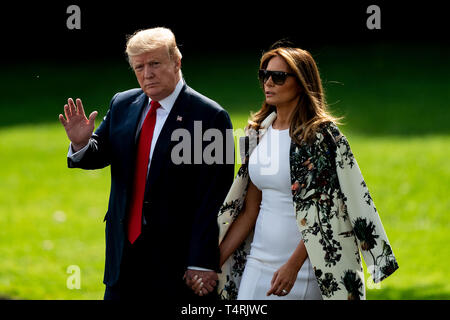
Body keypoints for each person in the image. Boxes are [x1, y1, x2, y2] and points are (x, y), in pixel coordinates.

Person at [203, 45, 399, 300]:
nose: (268, 82)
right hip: (257, 261)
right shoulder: (257, 132)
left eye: (279, 76)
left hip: (306, 268)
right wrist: (212, 262)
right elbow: (250, 210)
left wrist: (293, 267)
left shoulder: (320, 137)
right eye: (264, 75)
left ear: (302, 83)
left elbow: (325, 213)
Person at [58, 27, 234, 300]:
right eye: (139, 67)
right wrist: (82, 143)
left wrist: (201, 261)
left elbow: (214, 197)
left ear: (177, 61)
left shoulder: (210, 117)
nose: (147, 74)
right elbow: (98, 154)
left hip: (176, 263)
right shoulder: (123, 104)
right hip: (122, 257)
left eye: (155, 64)